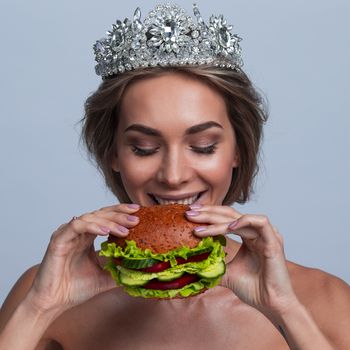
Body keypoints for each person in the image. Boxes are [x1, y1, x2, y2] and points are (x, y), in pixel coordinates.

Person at [0, 3, 349, 350]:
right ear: (114, 155)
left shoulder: (323, 300)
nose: (173, 176)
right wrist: (39, 308)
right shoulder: (46, 296)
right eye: (144, 148)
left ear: (238, 150)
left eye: (202, 146)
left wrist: (285, 309)